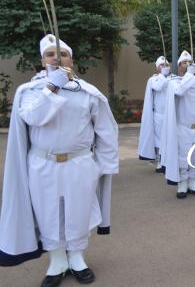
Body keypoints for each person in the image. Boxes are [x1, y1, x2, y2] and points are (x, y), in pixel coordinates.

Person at [0, 34, 119, 287]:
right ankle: (57, 260)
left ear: (71, 61)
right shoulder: (30, 92)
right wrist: (51, 87)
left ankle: (77, 257)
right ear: (42, 62)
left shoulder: (88, 92)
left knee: (78, 211)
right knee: (48, 212)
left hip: (80, 163)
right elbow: (33, 117)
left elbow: (106, 130)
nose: (57, 58)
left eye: (62, 54)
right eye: (50, 55)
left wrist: (104, 165)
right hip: (43, 163)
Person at [161, 59, 195, 199]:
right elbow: (180, 92)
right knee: (183, 156)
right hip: (183, 127)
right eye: (184, 63)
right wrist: (189, 76)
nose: (187, 65)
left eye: (189, 62)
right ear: (179, 66)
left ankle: (193, 181)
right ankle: (183, 183)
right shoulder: (175, 83)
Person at [138, 56, 172, 172]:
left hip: (171, 114)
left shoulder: (174, 79)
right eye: (162, 65)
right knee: (159, 139)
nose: (164, 67)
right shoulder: (153, 80)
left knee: (169, 138)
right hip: (159, 114)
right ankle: (159, 160)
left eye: (166, 65)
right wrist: (163, 76)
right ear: (157, 68)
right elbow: (158, 87)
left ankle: (168, 161)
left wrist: (167, 77)